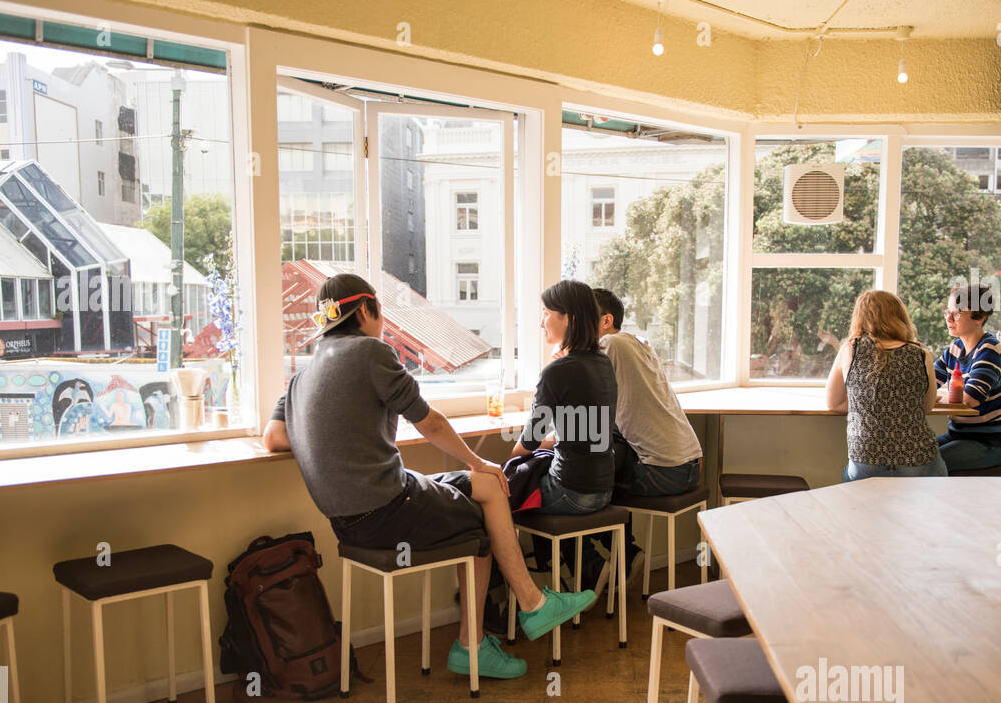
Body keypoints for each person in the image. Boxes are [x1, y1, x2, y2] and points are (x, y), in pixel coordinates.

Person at [262, 273, 595, 681]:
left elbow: (274, 438)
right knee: (482, 519)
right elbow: (431, 423)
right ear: (366, 310)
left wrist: (333, 437)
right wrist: (478, 460)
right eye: (379, 313)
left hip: (347, 522)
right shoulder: (372, 352)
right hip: (388, 506)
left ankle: (528, 607)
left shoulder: (303, 374)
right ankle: (485, 639)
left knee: (488, 488)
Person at [587, 287, 703, 586]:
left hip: (665, 472)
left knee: (586, 483)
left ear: (605, 321)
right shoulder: (636, 344)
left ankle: (613, 559)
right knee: (606, 460)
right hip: (689, 465)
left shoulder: (609, 344)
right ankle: (624, 554)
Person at [510, 280, 618, 583]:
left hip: (572, 493)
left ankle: (511, 599)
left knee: (501, 500)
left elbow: (529, 440)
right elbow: (582, 431)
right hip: (603, 489)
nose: (541, 322)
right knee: (544, 473)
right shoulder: (603, 363)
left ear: (567, 318)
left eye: (546, 313)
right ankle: (590, 566)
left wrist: (509, 462)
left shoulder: (557, 371)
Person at [825, 289, 946, 481]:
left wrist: (867, 403)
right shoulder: (921, 353)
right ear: (900, 317)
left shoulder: (850, 349)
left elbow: (833, 403)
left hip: (867, 459)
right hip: (918, 460)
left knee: (851, 487)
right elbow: (926, 406)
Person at [934, 284, 1001, 471]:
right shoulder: (955, 348)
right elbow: (926, 384)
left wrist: (933, 397)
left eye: (957, 314)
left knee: (929, 464)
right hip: (958, 436)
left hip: (987, 443)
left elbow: (969, 400)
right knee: (913, 454)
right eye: (948, 312)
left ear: (980, 317)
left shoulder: (990, 350)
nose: (949, 319)